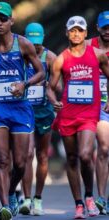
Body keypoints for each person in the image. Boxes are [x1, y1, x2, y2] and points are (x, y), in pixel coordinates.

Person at [0, 2, 45, 220]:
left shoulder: (23, 44)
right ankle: (5, 206)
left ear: (11, 21)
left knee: (21, 162)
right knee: (3, 159)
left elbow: (41, 72)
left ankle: (12, 191)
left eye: (3, 19)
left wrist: (24, 85)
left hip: (20, 108)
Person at [47, 15, 109, 219]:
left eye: (79, 30)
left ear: (85, 33)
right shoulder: (61, 58)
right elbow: (51, 87)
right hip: (68, 115)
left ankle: (90, 196)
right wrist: (53, 101)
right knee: (72, 159)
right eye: (72, 30)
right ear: (67, 33)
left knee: (85, 154)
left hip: (89, 115)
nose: (76, 33)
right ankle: (79, 203)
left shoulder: (98, 54)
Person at [19, 22, 57, 216]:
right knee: (27, 155)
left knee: (42, 156)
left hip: (44, 111)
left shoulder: (50, 58)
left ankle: (38, 198)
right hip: (24, 111)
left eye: (38, 43)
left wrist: (50, 87)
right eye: (31, 42)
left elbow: (59, 85)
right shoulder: (18, 54)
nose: (35, 47)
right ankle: (26, 198)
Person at [86, 11, 109, 215]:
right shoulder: (86, 46)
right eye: (105, 27)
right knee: (103, 149)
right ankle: (102, 198)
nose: (108, 31)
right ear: (98, 28)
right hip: (96, 106)